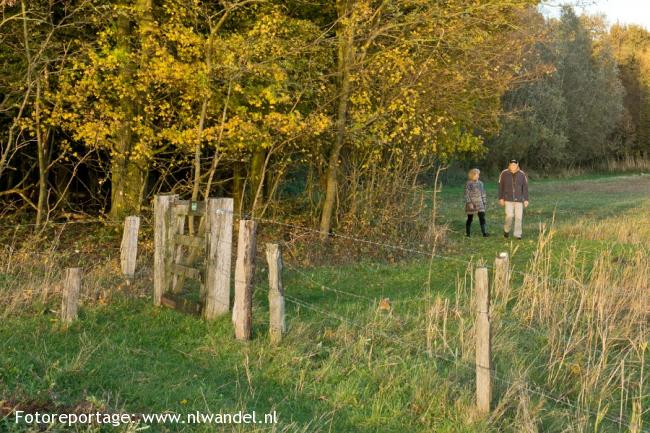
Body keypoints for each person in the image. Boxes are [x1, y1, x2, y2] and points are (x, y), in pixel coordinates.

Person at [498, 159, 529, 240]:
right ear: (509, 165)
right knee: (510, 216)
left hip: (519, 199)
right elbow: (501, 186)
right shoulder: (504, 173)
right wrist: (501, 198)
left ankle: (517, 235)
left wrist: (526, 199)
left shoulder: (522, 174)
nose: (513, 166)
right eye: (511, 165)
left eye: (514, 165)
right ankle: (506, 230)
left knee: (519, 217)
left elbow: (525, 187)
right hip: (508, 199)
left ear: (517, 165)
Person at [464, 168, 489, 237]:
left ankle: (484, 233)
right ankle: (468, 234)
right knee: (470, 218)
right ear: (472, 175)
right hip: (471, 203)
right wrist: (469, 203)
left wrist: (484, 202)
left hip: (480, 203)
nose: (478, 176)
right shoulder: (468, 183)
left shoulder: (481, 183)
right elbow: (466, 194)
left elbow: (483, 193)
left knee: (482, 217)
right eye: (477, 174)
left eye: (478, 174)